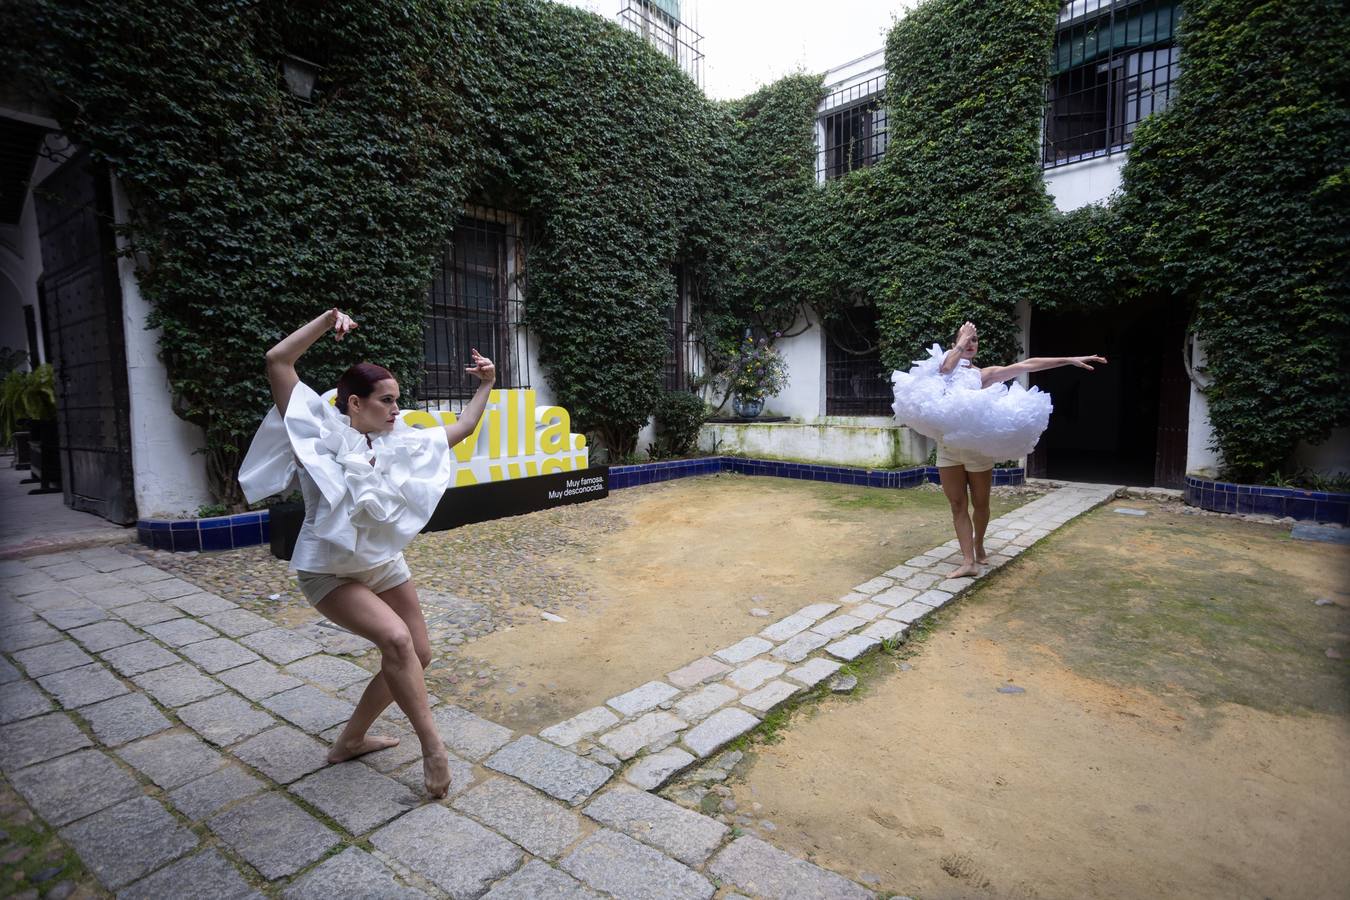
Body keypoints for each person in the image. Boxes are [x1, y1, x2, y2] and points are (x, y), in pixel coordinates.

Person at [238, 308, 495, 798]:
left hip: (382, 565)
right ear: (354, 403)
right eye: (387, 401)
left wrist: (487, 384)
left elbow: (461, 428)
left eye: (398, 400)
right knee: (397, 642)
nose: (397, 409)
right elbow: (277, 361)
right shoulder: (318, 433)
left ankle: (351, 740)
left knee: (420, 653)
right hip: (329, 572)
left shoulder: (397, 442)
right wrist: (326, 320)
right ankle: (433, 750)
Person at [893, 321, 1105, 578]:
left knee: (981, 504)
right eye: (966, 339)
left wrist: (1069, 359)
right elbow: (946, 367)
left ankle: (979, 543)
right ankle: (968, 560)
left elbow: (1027, 364)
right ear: (955, 344)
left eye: (975, 340)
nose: (971, 344)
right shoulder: (942, 372)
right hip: (948, 449)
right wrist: (961, 341)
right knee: (957, 504)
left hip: (977, 451)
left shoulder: (984, 374)